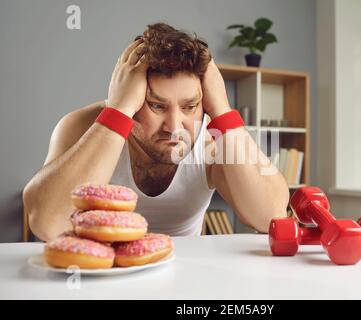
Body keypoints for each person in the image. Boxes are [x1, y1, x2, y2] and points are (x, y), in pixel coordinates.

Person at [23, 23, 289, 241]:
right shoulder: (82, 127)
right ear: (130, 96)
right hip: (102, 278)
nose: (174, 128)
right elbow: (48, 224)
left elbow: (271, 217)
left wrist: (222, 111)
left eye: (190, 106)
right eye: (157, 105)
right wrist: (118, 112)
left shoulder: (211, 139)